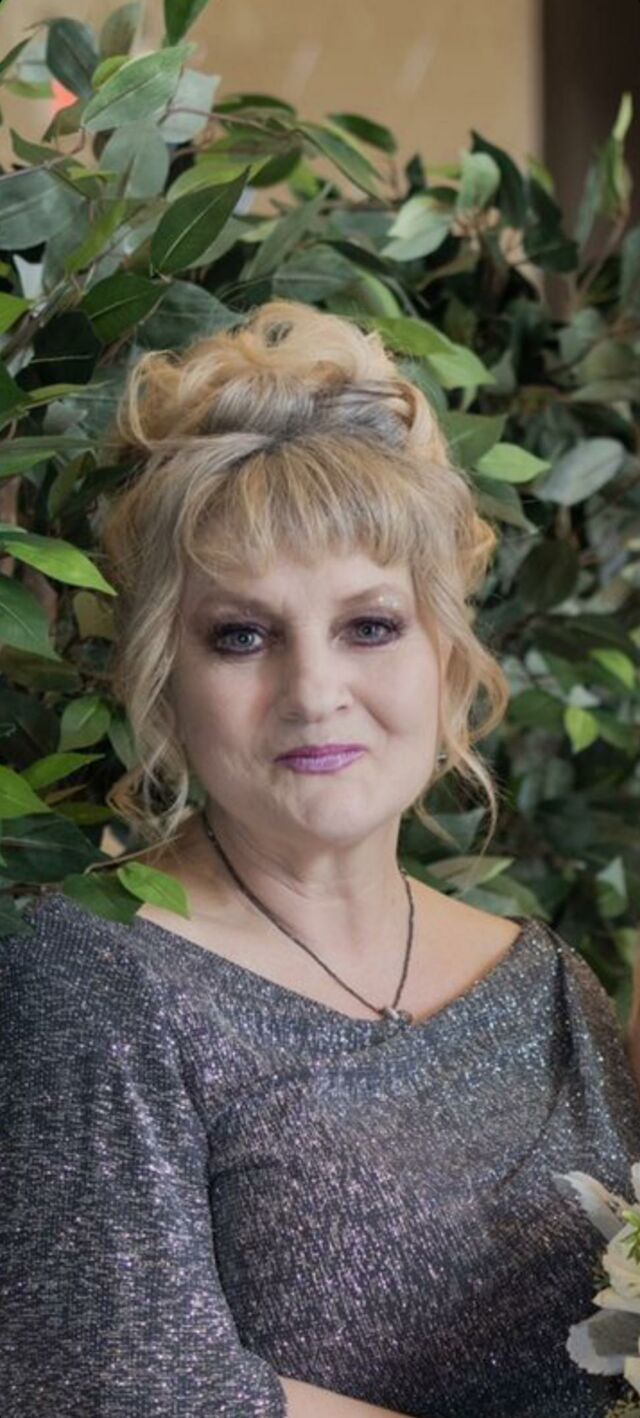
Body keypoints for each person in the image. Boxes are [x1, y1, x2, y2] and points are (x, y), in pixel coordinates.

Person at [2, 298, 640, 1418]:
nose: (313, 691)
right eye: (242, 635)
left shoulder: (551, 988)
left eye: (369, 626)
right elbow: (115, 1385)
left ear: (447, 658)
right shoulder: (90, 976)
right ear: (163, 678)